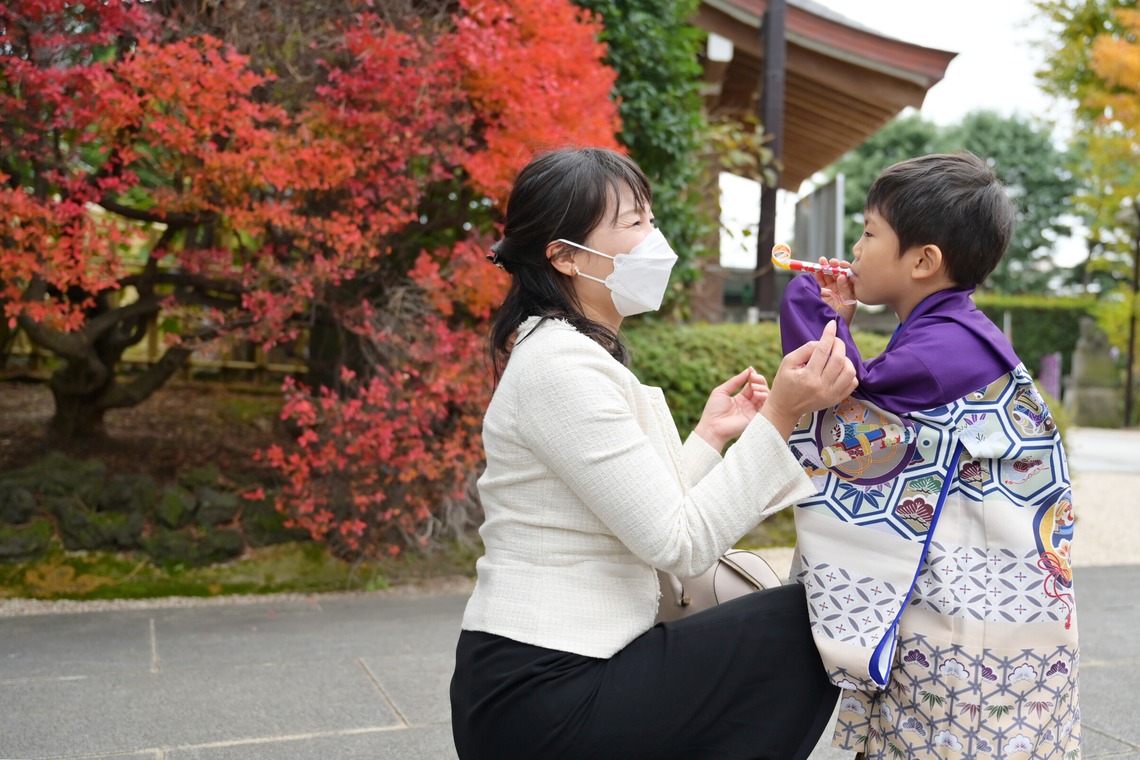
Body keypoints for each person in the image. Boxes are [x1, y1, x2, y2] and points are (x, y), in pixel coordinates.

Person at [450, 146, 859, 760]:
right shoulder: (560, 367)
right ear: (563, 256)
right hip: (542, 691)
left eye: (649, 218)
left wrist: (711, 437)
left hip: (560, 673)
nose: (654, 240)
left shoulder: (569, 352)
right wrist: (781, 414)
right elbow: (680, 542)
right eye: (632, 224)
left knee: (797, 625)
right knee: (802, 625)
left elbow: (643, 515)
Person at [779, 151, 1081, 759]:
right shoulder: (956, 334)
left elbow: (846, 403)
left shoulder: (940, 348)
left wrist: (809, 310)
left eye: (869, 234)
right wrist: (840, 319)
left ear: (923, 260)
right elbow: (883, 396)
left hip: (966, 625)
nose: (855, 250)